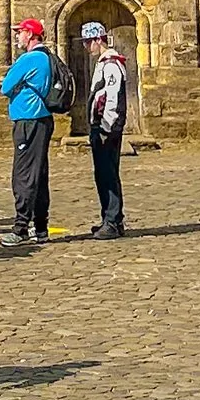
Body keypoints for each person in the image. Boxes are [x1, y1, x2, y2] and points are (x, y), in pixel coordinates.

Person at [0, 17, 59, 248]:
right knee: (39, 174)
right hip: (42, 119)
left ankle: (21, 227)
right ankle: (41, 227)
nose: (16, 37)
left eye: (20, 32)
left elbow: (5, 86)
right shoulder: (48, 58)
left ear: (31, 35)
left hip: (28, 120)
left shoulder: (29, 59)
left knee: (23, 175)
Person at [83, 19, 130, 237]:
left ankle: (112, 221)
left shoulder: (111, 64)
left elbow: (111, 98)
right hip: (100, 126)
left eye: (87, 42)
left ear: (97, 40)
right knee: (102, 174)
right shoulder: (103, 62)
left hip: (106, 128)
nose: (86, 47)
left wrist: (105, 127)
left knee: (108, 174)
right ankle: (109, 218)